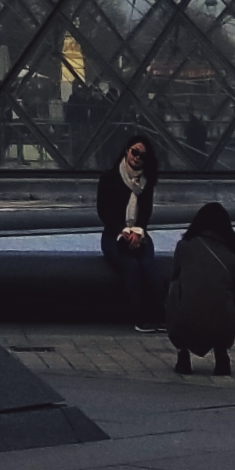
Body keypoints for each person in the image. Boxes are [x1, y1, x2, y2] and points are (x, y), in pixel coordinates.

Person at [166, 201, 235, 377]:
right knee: (223, 297)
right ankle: (221, 354)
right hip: (222, 323)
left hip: (185, 322)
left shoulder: (184, 247)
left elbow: (175, 276)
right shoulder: (231, 256)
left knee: (177, 289)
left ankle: (182, 354)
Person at [96, 131, 160, 331]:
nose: (137, 158)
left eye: (143, 156)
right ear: (127, 151)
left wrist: (138, 233)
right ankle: (139, 317)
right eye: (135, 152)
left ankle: (161, 315)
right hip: (112, 235)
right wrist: (123, 231)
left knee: (149, 267)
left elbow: (146, 211)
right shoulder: (109, 177)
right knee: (131, 266)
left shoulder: (147, 182)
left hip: (139, 234)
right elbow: (103, 211)